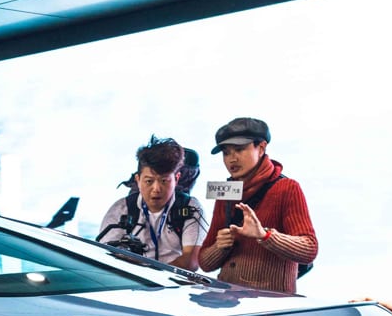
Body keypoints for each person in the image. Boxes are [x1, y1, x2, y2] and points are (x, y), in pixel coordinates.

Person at [197, 117, 317, 293]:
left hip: (269, 303)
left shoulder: (287, 188)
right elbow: (204, 263)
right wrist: (219, 247)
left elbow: (309, 249)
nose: (232, 159)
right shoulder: (226, 193)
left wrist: (265, 236)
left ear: (261, 148)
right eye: (226, 153)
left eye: (239, 149)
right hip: (225, 300)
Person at [94, 136, 207, 270]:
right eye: (149, 181)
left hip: (172, 280)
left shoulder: (190, 208)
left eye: (164, 181)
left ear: (176, 179)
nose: (156, 189)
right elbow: (105, 256)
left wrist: (150, 274)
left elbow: (191, 262)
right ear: (138, 180)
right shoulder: (122, 208)